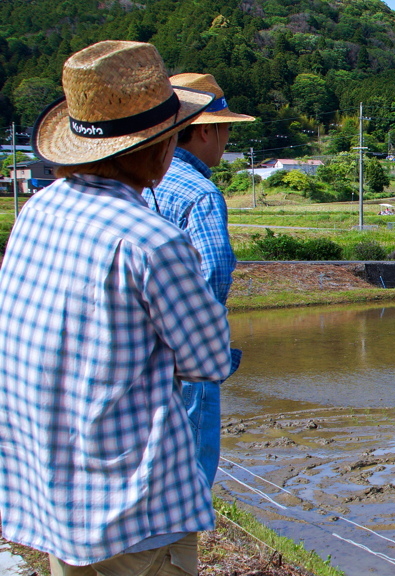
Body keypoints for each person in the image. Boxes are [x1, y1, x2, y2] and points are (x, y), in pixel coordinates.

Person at [0, 40, 231, 575]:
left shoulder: (39, 211)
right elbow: (210, 361)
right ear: (157, 147)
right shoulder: (152, 242)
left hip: (56, 489)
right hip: (133, 504)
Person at [147, 72, 253, 488]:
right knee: (188, 470)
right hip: (186, 358)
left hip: (137, 351)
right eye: (226, 128)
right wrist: (208, 356)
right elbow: (214, 272)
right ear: (205, 130)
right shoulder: (200, 193)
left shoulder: (135, 179)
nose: (227, 140)